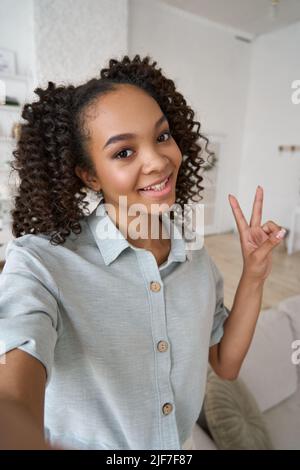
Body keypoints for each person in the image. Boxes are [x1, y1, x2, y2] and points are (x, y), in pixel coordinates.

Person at [0, 54, 286, 450]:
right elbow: (14, 394)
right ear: (89, 175)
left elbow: (225, 364)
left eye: (162, 136)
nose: (158, 161)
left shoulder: (195, 258)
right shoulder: (41, 264)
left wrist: (254, 275)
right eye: (123, 152)